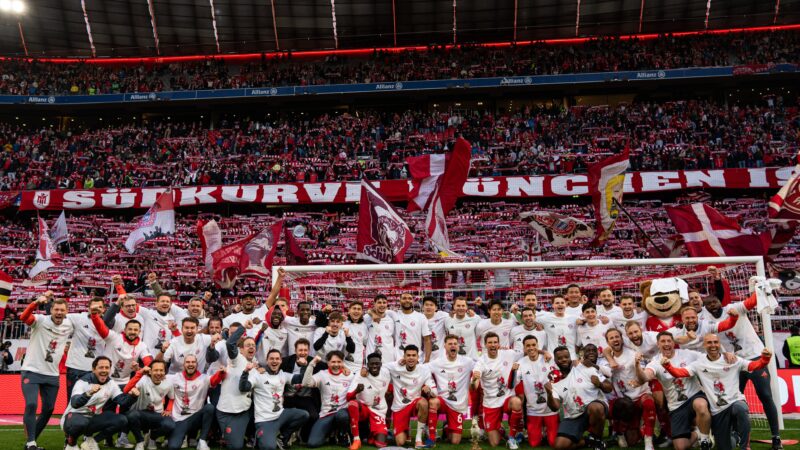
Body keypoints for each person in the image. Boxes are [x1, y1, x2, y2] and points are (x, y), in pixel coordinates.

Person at [661, 334, 773, 450]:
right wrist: (668, 366)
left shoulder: (732, 359)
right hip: (718, 411)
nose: (713, 345)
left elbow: (754, 365)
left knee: (741, 409)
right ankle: (734, 438)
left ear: (719, 344)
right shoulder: (699, 364)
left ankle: (745, 447)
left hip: (735, 402)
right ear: (704, 345)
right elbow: (680, 373)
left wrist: (765, 359)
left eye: (715, 342)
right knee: (725, 446)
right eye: (709, 342)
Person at [702, 292, 784, 449]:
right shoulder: (708, 322)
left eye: (715, 301)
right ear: (705, 307)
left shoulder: (734, 308)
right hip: (734, 363)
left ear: (721, 301)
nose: (712, 305)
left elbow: (751, 302)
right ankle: (736, 434)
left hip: (754, 357)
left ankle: (776, 437)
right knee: (732, 401)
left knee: (765, 395)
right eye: (709, 303)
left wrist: (758, 289)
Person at [637, 332, 712, 450]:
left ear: (673, 343)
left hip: (694, 396)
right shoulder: (655, 362)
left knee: (701, 405)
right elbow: (645, 377)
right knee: (681, 447)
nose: (666, 344)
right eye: (663, 341)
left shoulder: (687, 354)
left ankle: (705, 440)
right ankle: (698, 433)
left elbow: (709, 356)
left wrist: (725, 355)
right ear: (658, 344)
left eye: (669, 341)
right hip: (676, 406)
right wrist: (637, 365)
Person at [20, 293, 74, 450]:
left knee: (49, 409)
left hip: (52, 374)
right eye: (56, 309)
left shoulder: (69, 324)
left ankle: (31, 442)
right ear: (51, 310)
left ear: (66, 311)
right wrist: (36, 302)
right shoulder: (41, 320)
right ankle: (31, 443)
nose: (58, 312)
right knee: (31, 404)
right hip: (32, 370)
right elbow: (24, 317)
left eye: (62, 310)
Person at [544, 344, 612, 450]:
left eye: (566, 357)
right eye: (560, 358)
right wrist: (549, 394)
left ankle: (597, 440)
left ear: (570, 357)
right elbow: (555, 407)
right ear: (555, 361)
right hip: (573, 415)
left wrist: (600, 384)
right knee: (559, 446)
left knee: (595, 408)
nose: (563, 360)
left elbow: (609, 387)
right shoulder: (554, 381)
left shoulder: (585, 368)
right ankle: (588, 441)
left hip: (594, 407)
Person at [240, 348, 309, 450]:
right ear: (267, 361)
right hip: (264, 420)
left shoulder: (283, 374)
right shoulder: (258, 375)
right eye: (271, 359)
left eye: (277, 359)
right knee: (268, 447)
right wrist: (245, 372)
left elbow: (301, 379)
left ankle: (282, 438)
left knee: (304, 415)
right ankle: (257, 437)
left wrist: (303, 366)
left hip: (280, 415)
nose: (274, 361)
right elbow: (243, 387)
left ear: (281, 361)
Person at [61, 356, 136, 450]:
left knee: (122, 420)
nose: (104, 370)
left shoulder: (111, 384)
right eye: (101, 367)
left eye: (107, 367)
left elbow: (123, 402)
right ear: (93, 369)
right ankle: (71, 443)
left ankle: (91, 441)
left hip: (92, 419)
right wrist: (89, 393)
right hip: (73, 418)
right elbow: (75, 404)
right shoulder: (82, 382)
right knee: (81, 423)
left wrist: (133, 396)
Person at [604, 327, 657, 450]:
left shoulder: (634, 354)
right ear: (607, 342)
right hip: (624, 401)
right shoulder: (605, 359)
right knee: (632, 441)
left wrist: (638, 365)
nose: (615, 340)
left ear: (622, 339)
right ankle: (620, 433)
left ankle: (649, 442)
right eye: (611, 338)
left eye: (617, 337)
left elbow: (644, 377)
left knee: (649, 402)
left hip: (640, 395)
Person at [472, 332, 525, 449]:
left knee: (516, 401)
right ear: (485, 345)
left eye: (495, 342)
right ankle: (500, 430)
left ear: (499, 344)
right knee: (494, 443)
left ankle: (511, 438)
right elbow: (475, 385)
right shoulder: (481, 362)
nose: (493, 345)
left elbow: (526, 351)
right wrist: (474, 381)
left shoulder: (508, 354)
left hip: (507, 397)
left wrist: (544, 352)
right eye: (490, 342)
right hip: (491, 403)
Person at [384, 345, 438, 448]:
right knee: (400, 442)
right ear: (404, 356)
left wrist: (429, 390)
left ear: (418, 357)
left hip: (414, 403)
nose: (411, 358)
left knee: (423, 402)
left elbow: (435, 392)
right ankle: (405, 431)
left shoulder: (424, 370)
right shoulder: (395, 366)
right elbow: (381, 366)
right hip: (399, 407)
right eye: (408, 355)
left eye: (414, 355)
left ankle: (418, 439)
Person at [216, 325, 258, 450]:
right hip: (226, 411)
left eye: (253, 345)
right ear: (241, 350)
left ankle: (249, 435)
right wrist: (243, 327)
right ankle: (225, 435)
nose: (251, 347)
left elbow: (245, 387)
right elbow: (230, 343)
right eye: (248, 345)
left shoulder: (254, 367)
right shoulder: (237, 359)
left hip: (242, 412)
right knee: (235, 446)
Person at [166, 354, 221, 450]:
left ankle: (202, 441)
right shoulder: (174, 377)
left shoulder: (204, 378)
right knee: (173, 447)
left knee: (209, 408)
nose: (190, 364)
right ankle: (179, 437)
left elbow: (214, 380)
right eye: (187, 362)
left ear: (197, 364)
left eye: (193, 362)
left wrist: (222, 372)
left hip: (195, 419)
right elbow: (158, 376)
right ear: (183, 364)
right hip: (179, 420)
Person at [428, 335, 475, 445]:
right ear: (444, 346)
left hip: (458, 406)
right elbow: (422, 371)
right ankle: (431, 437)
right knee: (433, 402)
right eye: (450, 344)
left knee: (455, 441)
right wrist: (428, 385)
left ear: (458, 346)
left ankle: (446, 428)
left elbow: (481, 366)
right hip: (442, 401)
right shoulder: (437, 362)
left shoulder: (467, 362)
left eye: (455, 343)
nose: (453, 346)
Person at [302, 350, 355, 448]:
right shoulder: (322, 374)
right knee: (312, 443)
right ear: (328, 363)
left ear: (343, 363)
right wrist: (311, 364)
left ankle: (342, 434)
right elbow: (306, 383)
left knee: (342, 416)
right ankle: (331, 433)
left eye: (339, 362)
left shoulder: (349, 376)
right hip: (326, 414)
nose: (336, 364)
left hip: (342, 412)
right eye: (333, 362)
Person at [514, 335, 559, 448]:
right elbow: (514, 382)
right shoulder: (520, 363)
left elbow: (558, 375)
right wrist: (513, 372)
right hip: (533, 411)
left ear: (538, 346)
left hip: (550, 410)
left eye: (533, 345)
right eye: (528, 346)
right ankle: (541, 431)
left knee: (553, 443)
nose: (531, 348)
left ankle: (548, 431)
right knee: (534, 444)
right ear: (524, 348)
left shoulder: (548, 359)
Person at [123, 361, 176, 450]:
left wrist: (168, 409)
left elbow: (171, 398)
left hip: (157, 414)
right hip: (141, 413)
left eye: (161, 370)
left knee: (170, 425)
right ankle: (140, 441)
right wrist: (139, 373)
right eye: (155, 370)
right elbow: (125, 390)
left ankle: (152, 438)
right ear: (150, 371)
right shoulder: (144, 379)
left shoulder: (168, 383)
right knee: (131, 415)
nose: (159, 373)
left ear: (165, 372)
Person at [346, 353, 392, 449]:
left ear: (381, 364)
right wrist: (356, 391)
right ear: (367, 365)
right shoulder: (360, 375)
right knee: (352, 404)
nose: (374, 366)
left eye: (377, 364)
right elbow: (348, 397)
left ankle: (372, 434)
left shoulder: (387, 373)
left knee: (380, 444)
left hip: (379, 411)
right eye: (371, 364)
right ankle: (356, 439)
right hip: (365, 409)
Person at [65, 297, 107, 398]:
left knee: (92, 402)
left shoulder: (109, 323)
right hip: (75, 367)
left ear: (104, 309)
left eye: (99, 307)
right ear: (88, 308)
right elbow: (59, 316)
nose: (97, 309)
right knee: (72, 399)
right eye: (94, 307)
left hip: (95, 370)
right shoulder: (79, 318)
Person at [395, 293, 432, 362]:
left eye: (409, 298)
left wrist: (427, 360)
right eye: (404, 298)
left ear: (413, 301)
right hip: (398, 359)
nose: (407, 300)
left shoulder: (421, 317)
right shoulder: (394, 315)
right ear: (399, 300)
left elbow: (427, 340)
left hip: (417, 360)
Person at [366, 294, 398, 363]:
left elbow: (395, 338)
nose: (382, 305)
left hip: (388, 359)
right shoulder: (367, 318)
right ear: (374, 304)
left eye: (384, 302)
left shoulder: (391, 319)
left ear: (387, 304)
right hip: (372, 360)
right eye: (379, 302)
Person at [421, 296, 449, 360]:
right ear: (422, 307)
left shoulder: (443, 316)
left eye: (431, 305)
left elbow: (456, 315)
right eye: (426, 305)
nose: (429, 307)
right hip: (423, 357)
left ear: (436, 308)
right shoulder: (419, 318)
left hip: (440, 357)